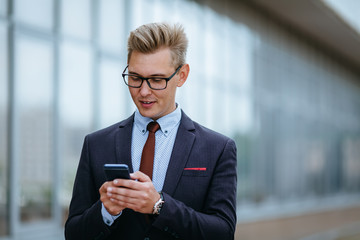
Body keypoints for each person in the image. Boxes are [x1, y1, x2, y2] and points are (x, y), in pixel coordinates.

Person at [64, 22, 237, 240]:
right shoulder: (96, 144)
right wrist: (105, 212)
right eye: (135, 78)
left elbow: (223, 233)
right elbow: (73, 234)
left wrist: (159, 205)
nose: (143, 92)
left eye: (156, 80)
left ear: (182, 75)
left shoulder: (218, 149)